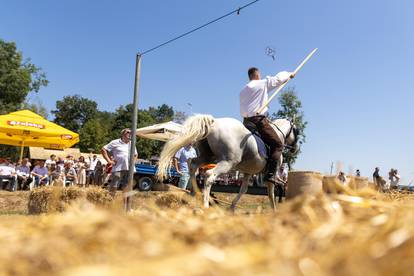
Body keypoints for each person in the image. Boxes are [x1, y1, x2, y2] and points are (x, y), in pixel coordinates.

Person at [240, 67, 295, 184]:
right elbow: (277, 79)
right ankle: (271, 174)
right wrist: (289, 74)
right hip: (258, 121)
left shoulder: (243, 91)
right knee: (278, 144)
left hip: (245, 122)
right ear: (257, 75)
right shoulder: (262, 83)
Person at [102, 128, 137, 197]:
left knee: (127, 187)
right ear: (123, 134)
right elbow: (103, 150)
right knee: (114, 186)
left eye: (131, 132)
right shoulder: (115, 142)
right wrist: (109, 161)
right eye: (128, 132)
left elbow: (135, 154)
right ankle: (109, 202)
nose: (130, 134)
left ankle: (125, 206)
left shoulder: (132, 143)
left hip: (129, 169)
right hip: (118, 168)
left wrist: (133, 163)